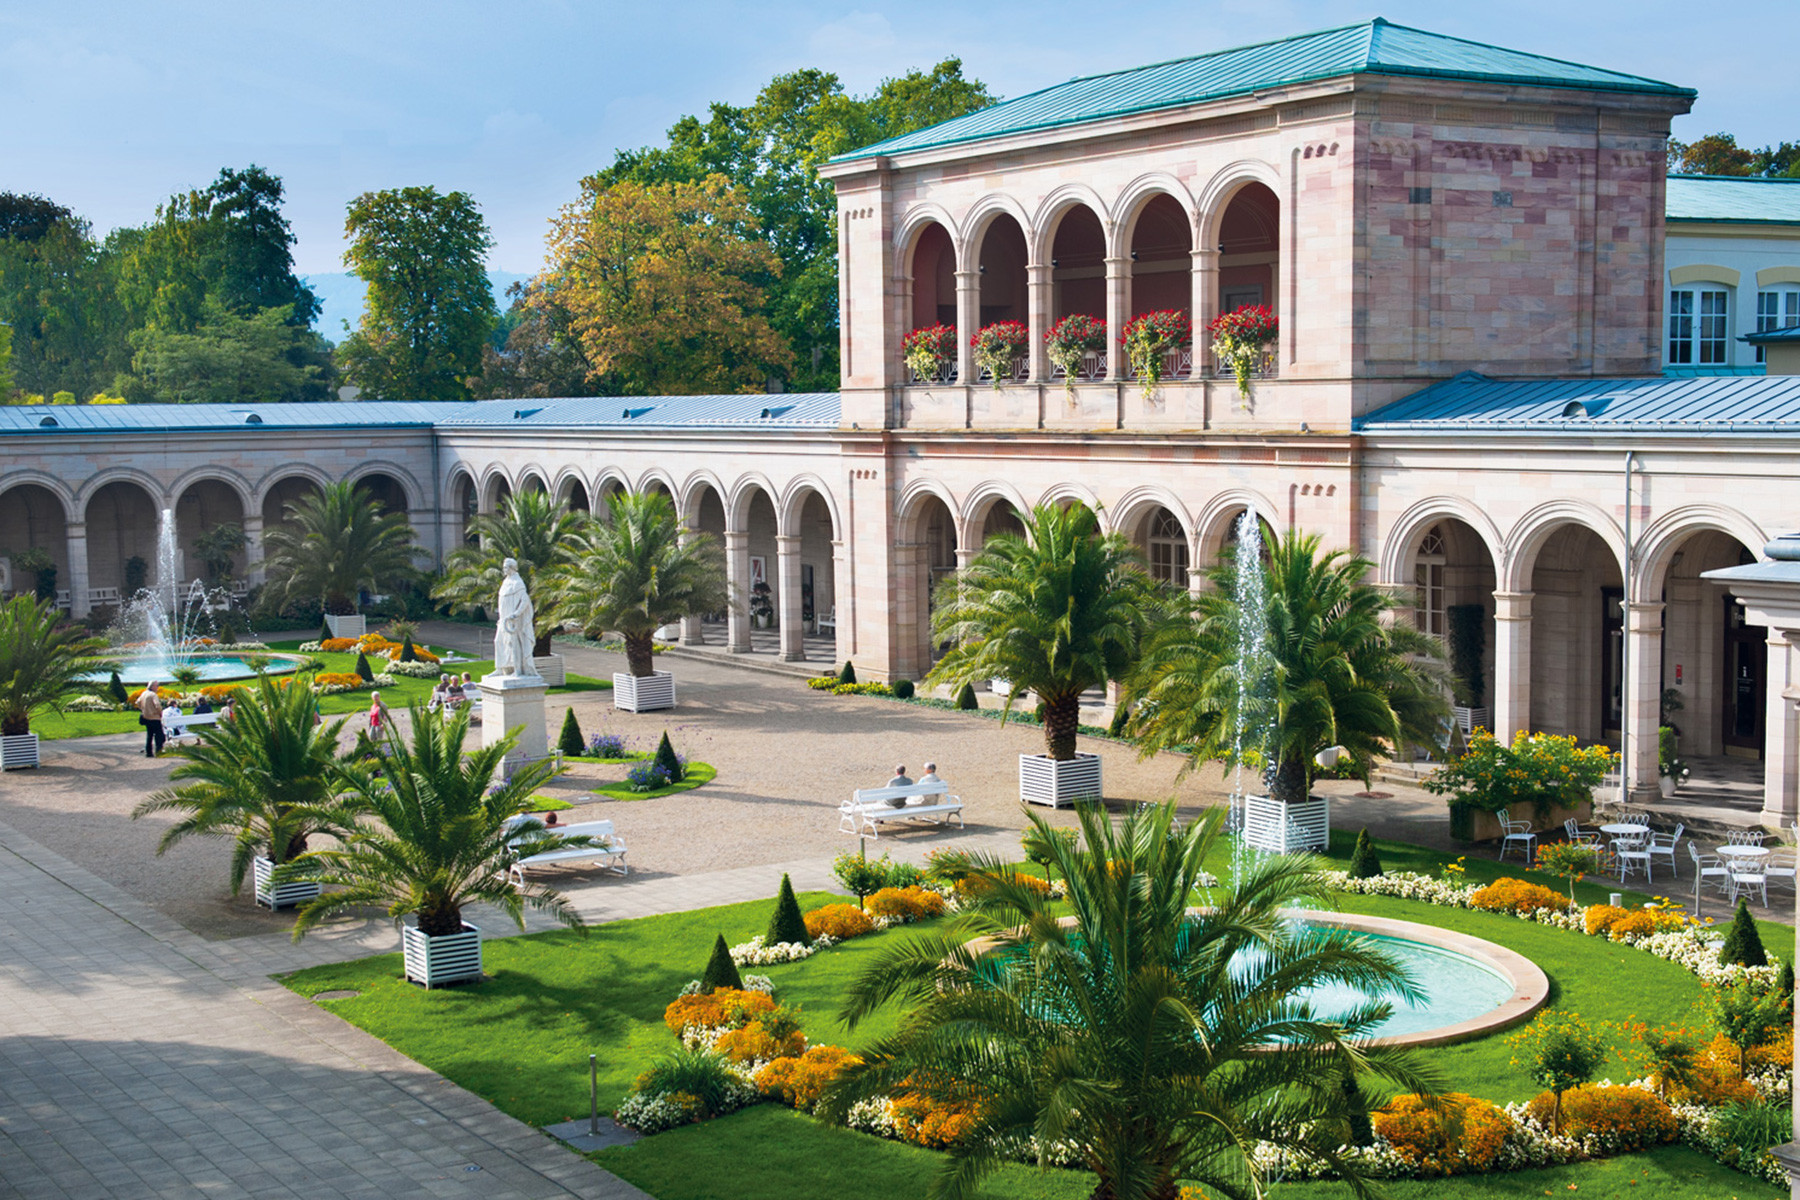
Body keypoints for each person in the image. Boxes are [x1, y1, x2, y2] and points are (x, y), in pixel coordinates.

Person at [493, 558, 538, 677]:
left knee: (514, 644)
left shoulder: (518, 583)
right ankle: (500, 668)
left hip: (513, 620)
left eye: (506, 567)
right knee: (498, 641)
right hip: (503, 619)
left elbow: (524, 600)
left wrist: (516, 614)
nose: (504, 569)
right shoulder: (505, 582)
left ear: (512, 568)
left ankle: (517, 670)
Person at [138, 683, 165, 758]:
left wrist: (143, 709)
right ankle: (158, 751)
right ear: (152, 686)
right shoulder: (153, 695)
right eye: (157, 685)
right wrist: (160, 712)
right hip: (154, 717)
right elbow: (157, 705)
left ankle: (149, 752)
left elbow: (137, 702)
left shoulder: (144, 694)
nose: (158, 687)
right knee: (159, 735)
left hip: (146, 717)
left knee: (149, 735)